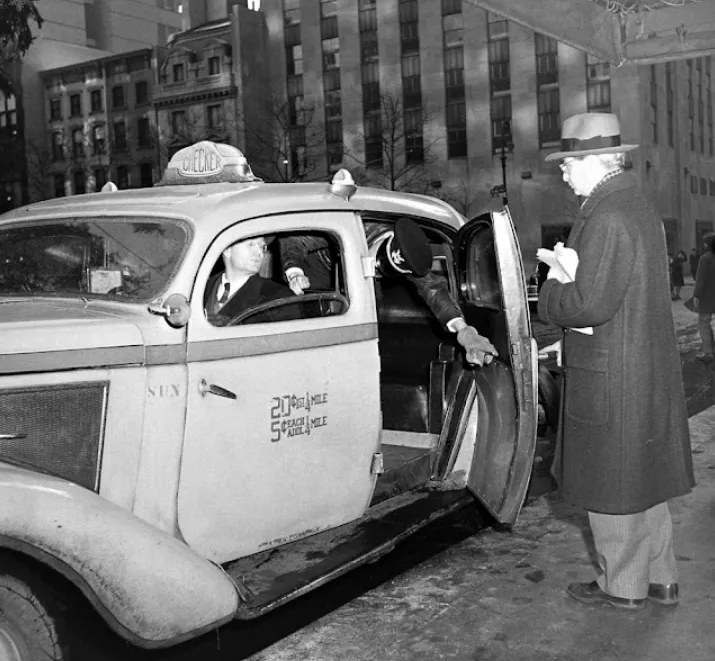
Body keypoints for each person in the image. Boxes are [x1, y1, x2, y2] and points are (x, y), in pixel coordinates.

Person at [537, 112, 694, 610]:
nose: (562, 173)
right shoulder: (635, 206)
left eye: (568, 163)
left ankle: (621, 585)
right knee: (644, 477)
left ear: (596, 161)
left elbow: (587, 304)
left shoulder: (605, 215)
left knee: (613, 482)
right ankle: (660, 578)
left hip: (612, 373)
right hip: (638, 366)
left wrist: (555, 285)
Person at [280, 218, 498, 367]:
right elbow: (295, 240)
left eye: (380, 272)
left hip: (354, 289)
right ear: (381, 245)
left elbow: (434, 290)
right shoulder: (355, 227)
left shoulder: (408, 256)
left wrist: (465, 331)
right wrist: (294, 271)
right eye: (375, 265)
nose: (374, 271)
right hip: (311, 279)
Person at [204, 235, 293, 326]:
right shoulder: (200, 288)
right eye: (250, 245)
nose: (259, 252)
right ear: (227, 249)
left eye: (262, 247)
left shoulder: (279, 297)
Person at [692, 234, 715, 361]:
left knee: (704, 323)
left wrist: (697, 295)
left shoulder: (705, 259)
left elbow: (701, 279)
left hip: (707, 297)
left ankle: (709, 352)